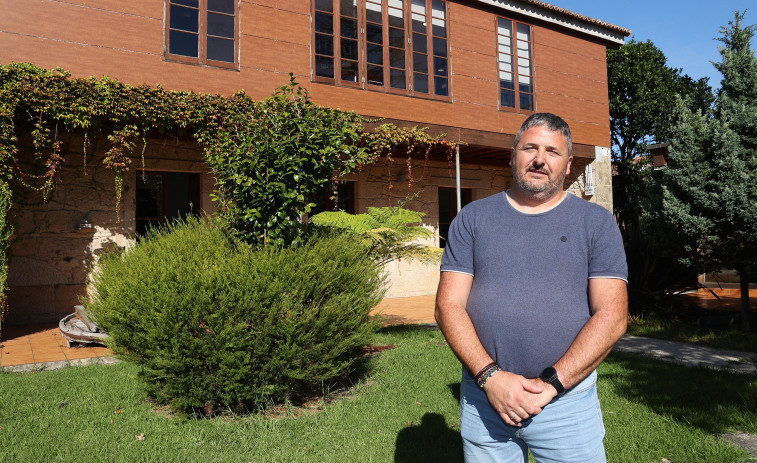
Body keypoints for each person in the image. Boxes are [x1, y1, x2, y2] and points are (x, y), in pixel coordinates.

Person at [435, 112, 628, 462]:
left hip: (566, 405)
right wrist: (491, 378)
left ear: (568, 165)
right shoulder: (472, 219)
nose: (540, 159)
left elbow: (612, 315)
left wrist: (552, 384)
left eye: (552, 152)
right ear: (513, 155)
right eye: (531, 148)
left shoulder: (595, 223)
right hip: (485, 400)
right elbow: (448, 306)